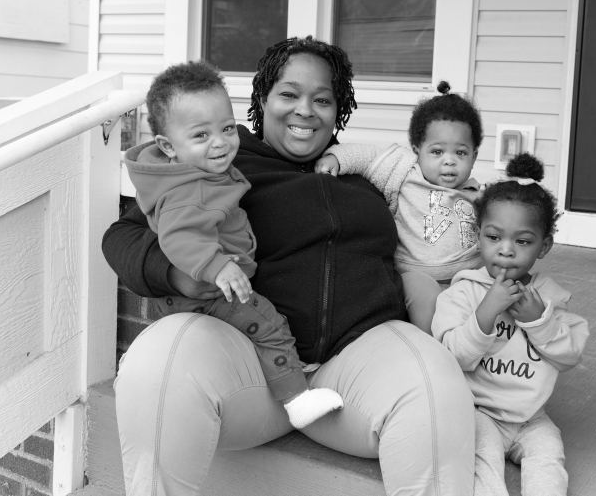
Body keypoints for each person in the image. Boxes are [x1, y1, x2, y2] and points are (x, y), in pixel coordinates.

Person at [101, 36, 476, 496]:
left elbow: (439, 225)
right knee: (159, 359)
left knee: (435, 382)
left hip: (354, 372)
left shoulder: (367, 178)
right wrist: (183, 272)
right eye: (289, 94)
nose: (305, 110)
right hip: (250, 369)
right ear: (262, 99)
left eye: (322, 99)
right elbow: (123, 236)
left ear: (338, 110)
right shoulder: (220, 165)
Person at [123, 60, 343, 429]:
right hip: (211, 291)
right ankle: (296, 397)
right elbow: (178, 237)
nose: (221, 142)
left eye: (227, 127)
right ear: (167, 145)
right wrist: (217, 266)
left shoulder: (199, 173)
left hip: (203, 291)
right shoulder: (188, 191)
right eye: (201, 136)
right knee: (269, 325)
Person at [431, 153, 590, 496]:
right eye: (494, 237)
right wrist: (486, 312)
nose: (506, 251)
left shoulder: (550, 298)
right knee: (480, 460)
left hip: (531, 418)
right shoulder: (463, 293)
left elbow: (570, 355)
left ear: (543, 246)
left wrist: (539, 321)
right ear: (478, 236)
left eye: (522, 241)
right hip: (477, 411)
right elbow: (451, 358)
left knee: (549, 455)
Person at [314, 81, 484, 333]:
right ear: (418, 151)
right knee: (423, 294)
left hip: (465, 278)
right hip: (415, 276)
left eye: (460, 153)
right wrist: (335, 157)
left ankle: (474, 344)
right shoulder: (405, 171)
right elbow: (366, 155)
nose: (449, 161)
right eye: (437, 152)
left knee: (489, 295)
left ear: (474, 156)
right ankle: (436, 347)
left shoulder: (478, 195)